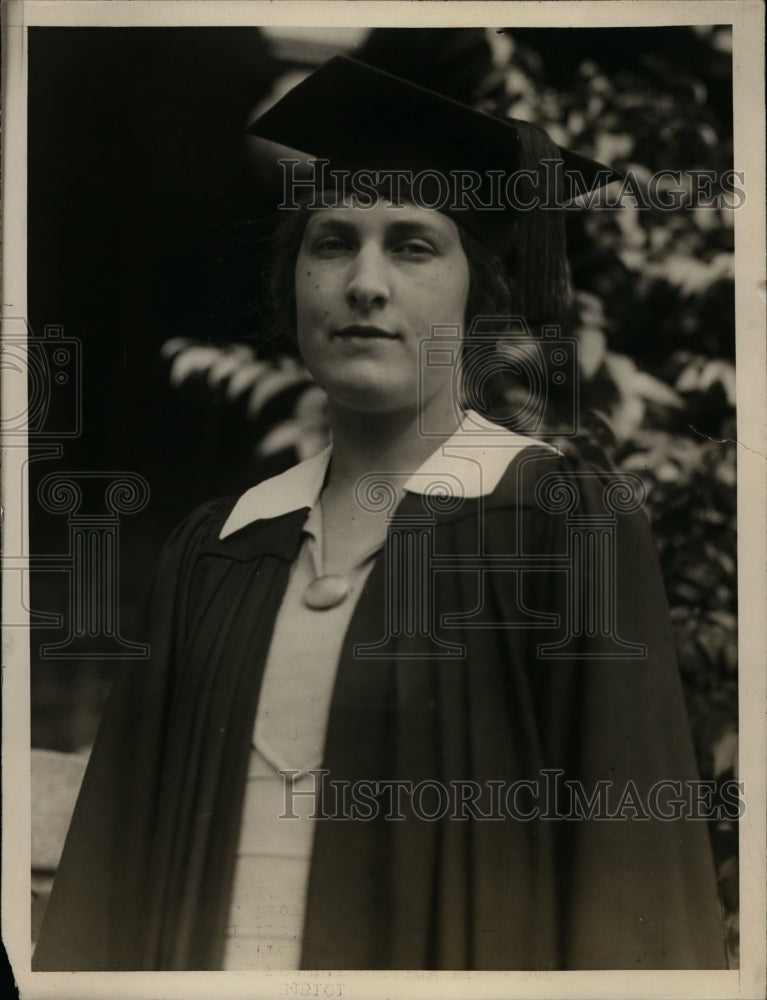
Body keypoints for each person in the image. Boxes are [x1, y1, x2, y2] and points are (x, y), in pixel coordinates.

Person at [33, 55, 727, 972]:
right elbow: (105, 892)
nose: (365, 283)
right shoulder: (223, 544)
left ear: (477, 294)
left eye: (411, 245)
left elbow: (633, 897)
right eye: (332, 243)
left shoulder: (559, 527)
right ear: (293, 287)